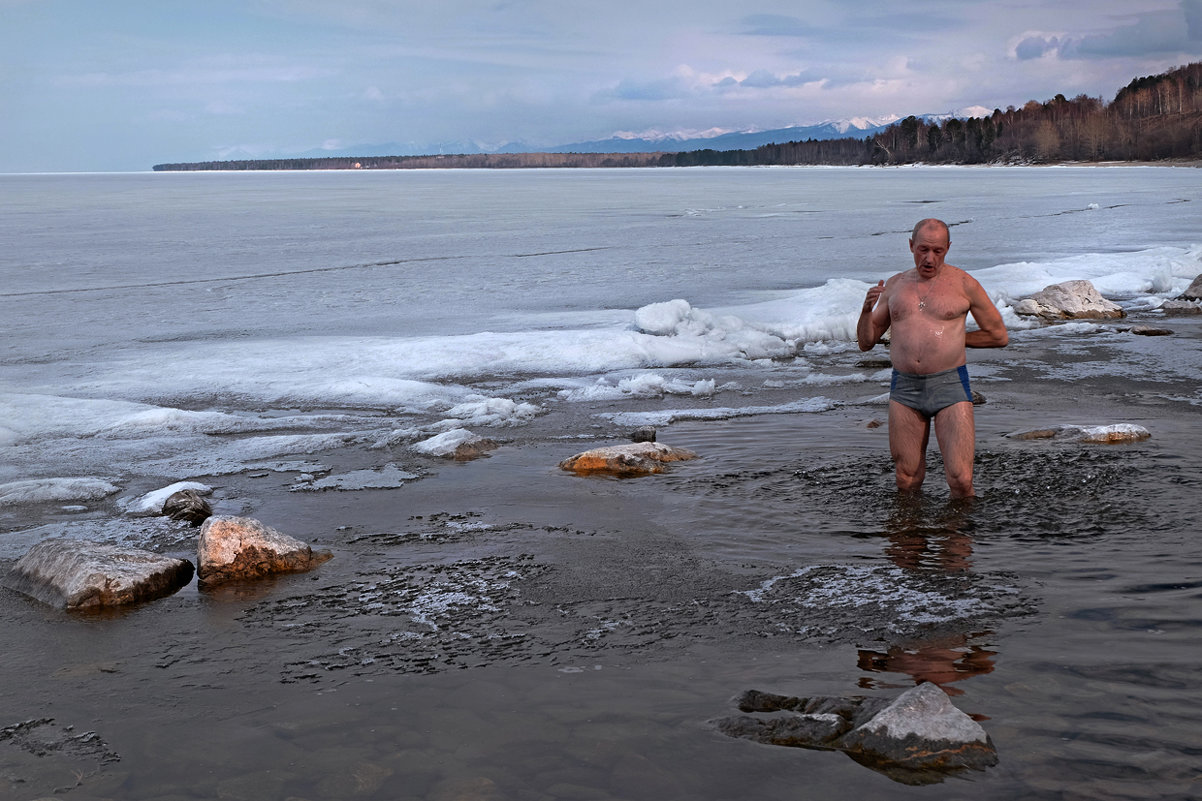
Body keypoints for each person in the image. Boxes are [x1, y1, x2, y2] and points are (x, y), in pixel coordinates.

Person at [857, 219, 1008, 497]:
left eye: (938, 251)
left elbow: (998, 335)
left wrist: (952, 339)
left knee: (961, 480)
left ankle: (957, 537)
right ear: (911, 246)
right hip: (905, 389)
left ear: (948, 248)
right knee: (906, 479)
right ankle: (909, 539)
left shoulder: (964, 284)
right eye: (923, 249)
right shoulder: (895, 285)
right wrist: (866, 311)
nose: (929, 258)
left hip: (949, 384)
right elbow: (866, 343)